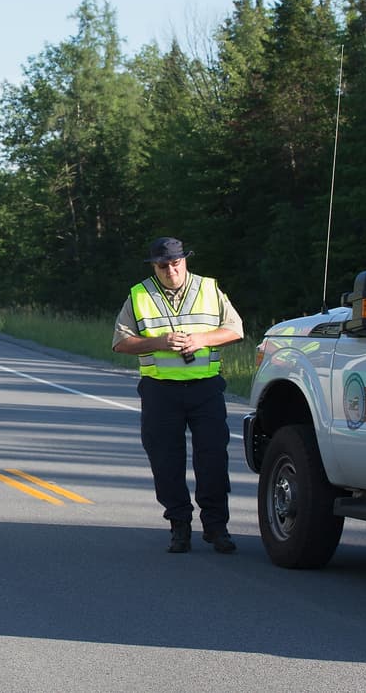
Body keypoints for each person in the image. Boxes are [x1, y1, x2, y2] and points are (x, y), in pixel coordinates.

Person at [112, 237, 244, 553]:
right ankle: (179, 526)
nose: (171, 271)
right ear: (153, 266)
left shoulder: (210, 289)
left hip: (205, 388)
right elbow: (120, 343)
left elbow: (236, 329)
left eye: (176, 263)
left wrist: (201, 339)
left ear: (185, 260)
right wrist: (158, 342)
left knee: (212, 459)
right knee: (166, 462)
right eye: (163, 266)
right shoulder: (138, 294)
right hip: (160, 391)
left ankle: (216, 527)